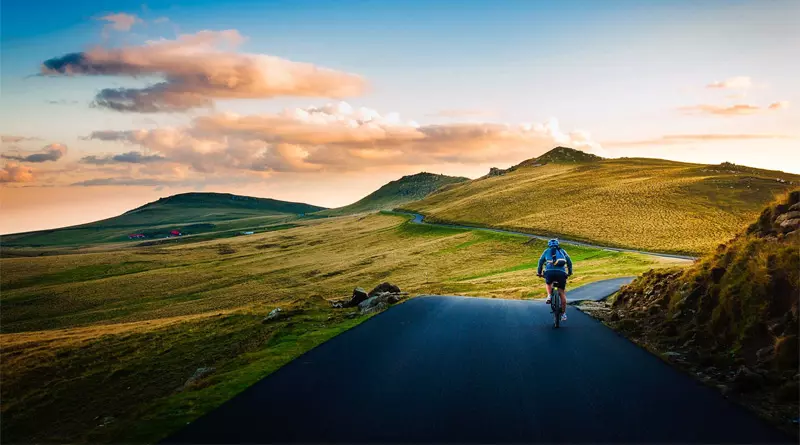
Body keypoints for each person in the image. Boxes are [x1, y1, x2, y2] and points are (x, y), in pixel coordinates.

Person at [536, 239, 573, 321]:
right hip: (561, 273)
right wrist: (569, 272)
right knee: (561, 292)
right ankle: (563, 314)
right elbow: (569, 262)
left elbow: (541, 262)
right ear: (558, 244)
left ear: (549, 245)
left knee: (548, 283)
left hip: (549, 272)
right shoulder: (562, 251)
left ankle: (549, 296)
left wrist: (539, 272)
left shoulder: (546, 251)